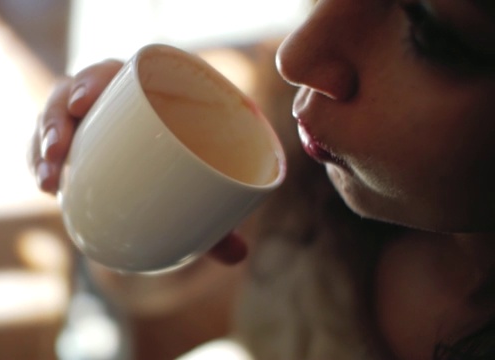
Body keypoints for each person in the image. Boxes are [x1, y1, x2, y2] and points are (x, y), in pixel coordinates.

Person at [29, 0, 495, 359]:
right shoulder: (312, 174)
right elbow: (159, 293)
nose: (294, 57)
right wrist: (120, 180)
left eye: (429, 30)